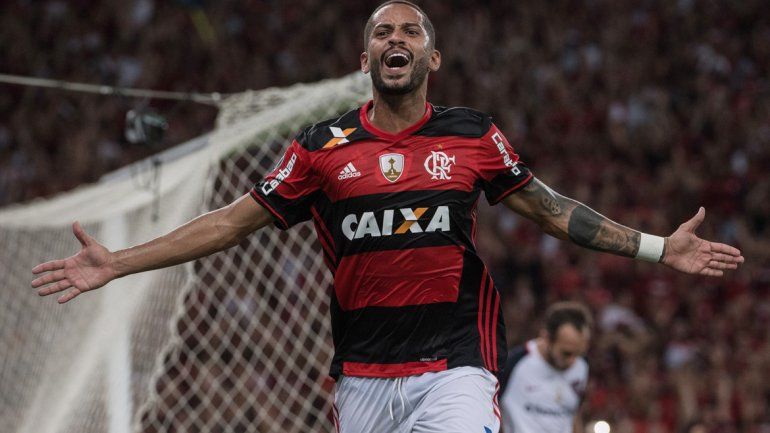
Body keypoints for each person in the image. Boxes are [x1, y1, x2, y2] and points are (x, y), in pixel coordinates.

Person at [31, 1, 744, 432]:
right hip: (363, 373)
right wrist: (119, 262)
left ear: (433, 55)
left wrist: (658, 248)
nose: (393, 38)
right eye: (380, 31)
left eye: (408, 30)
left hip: (454, 364)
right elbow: (231, 220)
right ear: (365, 55)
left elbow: (554, 212)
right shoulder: (320, 147)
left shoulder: (472, 134)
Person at [498, 302, 592, 433]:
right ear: (546, 337)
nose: (573, 361)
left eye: (579, 353)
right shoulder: (513, 364)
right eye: (567, 353)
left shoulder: (582, 365)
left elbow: (574, 413)